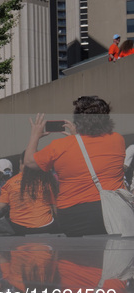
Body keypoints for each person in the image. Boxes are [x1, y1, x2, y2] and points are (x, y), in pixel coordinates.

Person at [24, 97, 125, 236]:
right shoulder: (118, 139)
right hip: (112, 211)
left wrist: (35, 135)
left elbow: (29, 162)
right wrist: (76, 137)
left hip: (74, 215)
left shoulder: (60, 146)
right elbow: (91, 153)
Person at [0, 151, 58, 235]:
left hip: (18, 228)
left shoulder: (10, 183)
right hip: (45, 227)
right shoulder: (46, 180)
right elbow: (55, 208)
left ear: (22, 164)